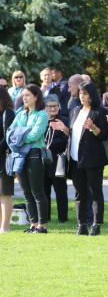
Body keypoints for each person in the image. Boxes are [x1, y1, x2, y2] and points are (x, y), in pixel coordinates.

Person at [51, 82, 108, 236]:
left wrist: (93, 128)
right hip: (75, 158)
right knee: (79, 193)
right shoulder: (75, 110)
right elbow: (73, 134)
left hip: (93, 159)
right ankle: (81, 224)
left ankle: (96, 224)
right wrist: (64, 129)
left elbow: (105, 135)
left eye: (85, 93)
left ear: (91, 95)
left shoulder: (99, 112)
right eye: (80, 93)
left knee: (96, 192)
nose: (82, 96)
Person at [8, 84, 49, 233]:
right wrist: (21, 134)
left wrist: (19, 136)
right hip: (19, 156)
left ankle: (42, 226)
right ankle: (33, 224)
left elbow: (35, 135)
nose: (24, 98)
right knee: (26, 192)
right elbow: (9, 133)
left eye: (27, 95)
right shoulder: (20, 114)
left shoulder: (42, 115)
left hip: (34, 155)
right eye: (23, 95)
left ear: (36, 97)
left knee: (37, 192)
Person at [43, 94, 69, 223]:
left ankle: (62, 218)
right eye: (50, 106)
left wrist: (48, 145)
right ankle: (45, 217)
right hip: (42, 162)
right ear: (45, 107)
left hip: (57, 160)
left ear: (59, 107)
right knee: (44, 190)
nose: (53, 109)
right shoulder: (41, 120)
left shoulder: (64, 120)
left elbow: (66, 140)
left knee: (60, 191)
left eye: (55, 106)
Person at [0, 85, 15, 233]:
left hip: (5, 158)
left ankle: (5, 226)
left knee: (5, 193)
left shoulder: (8, 113)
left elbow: (9, 136)